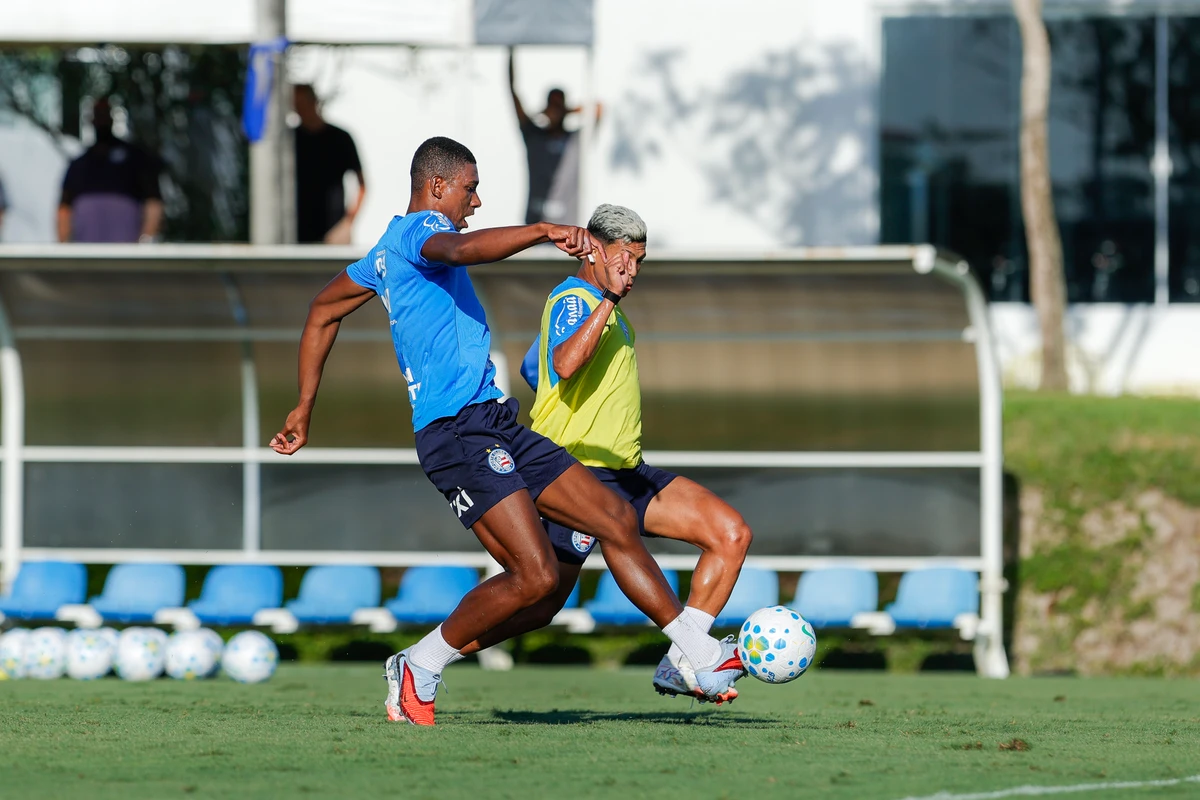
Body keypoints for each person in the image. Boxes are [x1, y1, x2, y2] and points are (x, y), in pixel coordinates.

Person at [269, 137, 744, 726]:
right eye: (470, 188)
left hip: (495, 421)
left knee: (613, 521)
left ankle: (696, 654)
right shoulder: (419, 235)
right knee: (536, 578)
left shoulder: (382, 257)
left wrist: (303, 407)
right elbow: (463, 247)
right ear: (437, 186)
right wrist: (542, 230)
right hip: (455, 433)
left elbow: (322, 311)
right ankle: (420, 664)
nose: (476, 199)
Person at [454, 204, 753, 700]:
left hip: (627, 470)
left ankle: (683, 662)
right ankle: (427, 657)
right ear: (593, 250)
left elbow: (538, 368)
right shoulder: (578, 296)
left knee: (730, 533)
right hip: (576, 474)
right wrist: (607, 301)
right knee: (538, 601)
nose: (631, 272)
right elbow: (567, 363)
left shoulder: (599, 304)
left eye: (639, 262)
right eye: (624, 259)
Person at [58, 97, 163, 243]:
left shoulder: (135, 158)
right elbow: (64, 210)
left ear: (112, 118)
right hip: (87, 252)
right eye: (98, 114)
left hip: (125, 250)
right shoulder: (79, 164)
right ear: (92, 120)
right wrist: (64, 248)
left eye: (104, 113)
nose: (101, 119)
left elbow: (153, 202)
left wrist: (145, 240)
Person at [508, 49, 593, 226]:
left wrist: (567, 111)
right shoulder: (534, 136)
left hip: (567, 227)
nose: (555, 111)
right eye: (551, 105)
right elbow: (513, 94)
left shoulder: (575, 140)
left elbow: (598, 109)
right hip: (534, 224)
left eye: (558, 105)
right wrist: (510, 51)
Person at [293, 84, 366, 244]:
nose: (300, 109)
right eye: (296, 105)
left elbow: (362, 185)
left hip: (334, 233)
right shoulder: (291, 140)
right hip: (296, 232)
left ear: (314, 102)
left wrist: (348, 223)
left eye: (303, 103)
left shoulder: (340, 138)